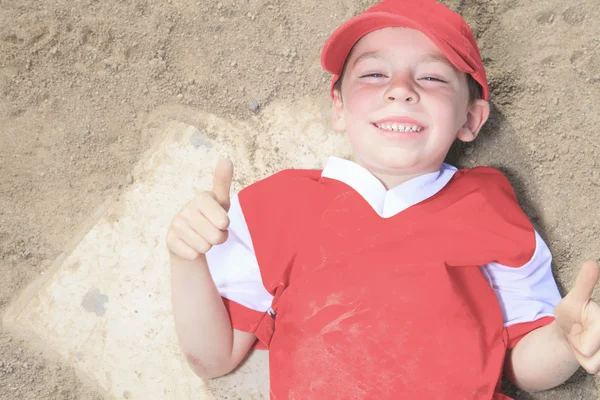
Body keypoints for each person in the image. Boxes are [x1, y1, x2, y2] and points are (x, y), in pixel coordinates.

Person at [167, 0, 600, 399]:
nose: (401, 89)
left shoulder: (489, 206)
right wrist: (187, 259)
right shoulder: (275, 206)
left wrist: (563, 343)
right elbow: (214, 357)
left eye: (431, 77)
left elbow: (524, 367)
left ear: (470, 118)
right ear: (338, 107)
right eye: (374, 74)